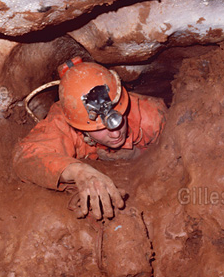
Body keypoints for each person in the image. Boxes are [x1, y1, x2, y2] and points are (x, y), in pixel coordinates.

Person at [13, 57, 167, 220]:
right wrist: (78, 172)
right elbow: (24, 157)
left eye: (118, 119)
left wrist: (140, 154)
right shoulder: (64, 121)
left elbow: (177, 150)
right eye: (100, 129)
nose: (115, 134)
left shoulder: (151, 114)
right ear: (79, 127)